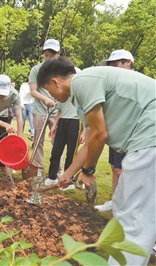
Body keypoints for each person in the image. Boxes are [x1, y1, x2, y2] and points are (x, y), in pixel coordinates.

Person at [37, 56, 156, 265]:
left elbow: (100, 135)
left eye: (48, 91)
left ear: (55, 82)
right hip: (143, 140)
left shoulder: (83, 81)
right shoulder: (81, 93)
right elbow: (91, 139)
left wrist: (88, 171)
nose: (53, 98)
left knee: (135, 219)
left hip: (149, 137)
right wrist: (68, 174)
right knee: (122, 205)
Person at [94, 49, 134, 212]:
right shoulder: (116, 84)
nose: (113, 69)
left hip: (132, 133)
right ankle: (116, 201)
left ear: (128, 63)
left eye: (116, 65)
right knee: (114, 167)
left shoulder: (137, 82)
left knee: (124, 169)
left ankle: (127, 205)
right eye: (111, 66)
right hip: (116, 131)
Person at [29, 39, 60, 176]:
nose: (48, 58)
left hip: (57, 111)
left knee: (57, 141)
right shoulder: (36, 70)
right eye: (46, 55)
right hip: (40, 111)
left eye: (52, 55)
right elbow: (33, 91)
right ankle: (39, 170)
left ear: (58, 54)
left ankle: (58, 170)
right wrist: (45, 99)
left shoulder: (63, 71)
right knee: (38, 141)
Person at [45, 89, 86, 187]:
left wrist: (84, 132)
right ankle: (52, 177)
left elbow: (85, 115)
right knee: (56, 151)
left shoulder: (81, 95)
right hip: (63, 122)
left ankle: (68, 180)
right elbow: (60, 110)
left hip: (75, 122)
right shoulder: (63, 94)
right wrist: (54, 125)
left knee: (71, 154)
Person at [19, 74, 34, 141]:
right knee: (22, 120)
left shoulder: (35, 85)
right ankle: (20, 135)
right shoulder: (24, 85)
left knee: (32, 120)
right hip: (24, 104)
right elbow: (21, 95)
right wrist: (21, 104)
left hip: (31, 104)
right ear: (28, 76)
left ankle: (33, 135)